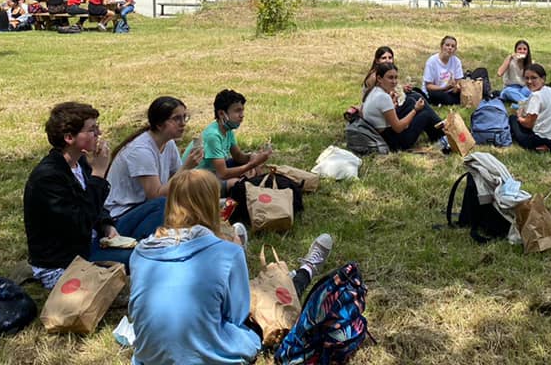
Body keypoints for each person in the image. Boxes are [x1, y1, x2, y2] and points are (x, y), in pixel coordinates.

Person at [129, 169, 334, 365]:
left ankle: (254, 275)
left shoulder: (140, 252)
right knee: (266, 304)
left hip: (150, 356)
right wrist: (234, 253)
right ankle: (304, 272)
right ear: (211, 205)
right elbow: (238, 314)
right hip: (209, 356)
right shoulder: (226, 253)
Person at [23, 101, 133, 288]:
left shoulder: (79, 162)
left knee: (155, 207)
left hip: (92, 240)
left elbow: (93, 206)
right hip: (66, 260)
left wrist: (106, 224)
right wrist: (99, 173)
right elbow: (80, 221)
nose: (98, 134)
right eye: (91, 129)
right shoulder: (49, 178)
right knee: (141, 257)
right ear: (69, 137)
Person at [104, 96, 204, 237]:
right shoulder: (141, 151)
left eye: (184, 117)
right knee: (162, 204)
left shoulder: (168, 143)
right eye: (176, 119)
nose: (183, 123)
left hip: (146, 210)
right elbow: (155, 196)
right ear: (159, 124)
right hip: (120, 218)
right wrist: (187, 167)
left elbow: (180, 182)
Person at [186, 89, 272, 193]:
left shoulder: (227, 130)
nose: (242, 115)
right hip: (195, 183)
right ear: (222, 114)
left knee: (248, 171)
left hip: (211, 173)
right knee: (235, 183)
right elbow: (223, 174)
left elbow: (238, 157)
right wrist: (252, 164)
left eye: (242, 110)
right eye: (237, 111)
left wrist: (252, 157)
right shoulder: (213, 136)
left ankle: (259, 188)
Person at [362, 62, 444, 150]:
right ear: (379, 78)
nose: (394, 82)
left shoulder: (374, 91)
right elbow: (398, 128)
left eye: (395, 78)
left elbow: (382, 114)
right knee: (425, 114)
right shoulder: (383, 97)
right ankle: (442, 134)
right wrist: (415, 110)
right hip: (393, 142)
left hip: (382, 133)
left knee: (412, 99)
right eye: (390, 78)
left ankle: (440, 129)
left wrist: (393, 105)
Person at [509, 63, 551, 153]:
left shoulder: (536, 96)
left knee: (513, 119)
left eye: (534, 78)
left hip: (544, 141)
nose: (529, 81)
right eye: (527, 78)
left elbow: (529, 124)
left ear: (543, 79)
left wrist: (519, 117)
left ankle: (543, 148)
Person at [423, 35, 464, 106]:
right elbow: (428, 86)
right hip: (436, 90)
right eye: (447, 45)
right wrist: (444, 87)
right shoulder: (432, 61)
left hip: (450, 91)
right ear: (442, 46)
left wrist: (456, 87)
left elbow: (459, 81)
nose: (450, 48)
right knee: (437, 95)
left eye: (453, 46)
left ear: (455, 49)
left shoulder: (456, 61)